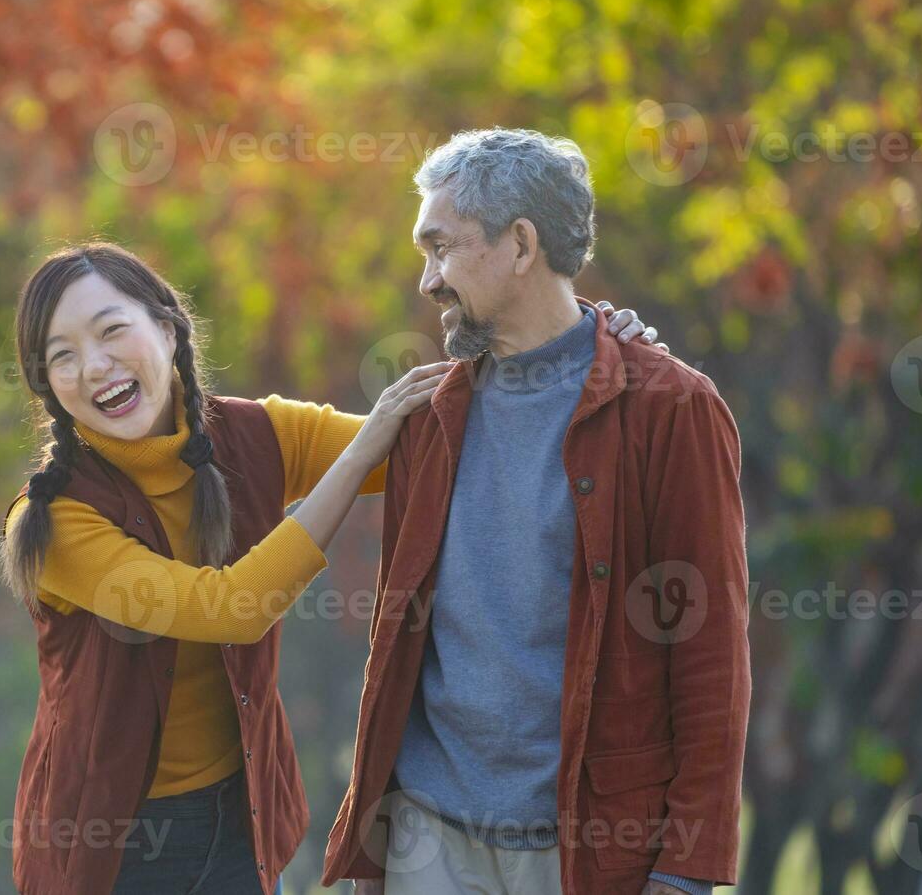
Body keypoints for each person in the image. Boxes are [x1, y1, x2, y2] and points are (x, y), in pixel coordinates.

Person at [0, 240, 660, 895]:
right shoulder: (54, 520)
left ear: (167, 331)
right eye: (63, 357)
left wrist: (583, 347)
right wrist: (372, 434)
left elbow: (445, 441)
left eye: (111, 331)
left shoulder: (255, 435)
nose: (94, 366)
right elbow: (233, 609)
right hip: (110, 856)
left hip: (243, 830)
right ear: (48, 386)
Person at [320, 128, 751, 895]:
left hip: (588, 849)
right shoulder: (426, 416)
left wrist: (688, 865)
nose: (427, 282)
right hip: (428, 838)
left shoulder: (670, 408)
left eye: (441, 249)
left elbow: (710, 650)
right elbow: (399, 645)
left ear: (521, 245)